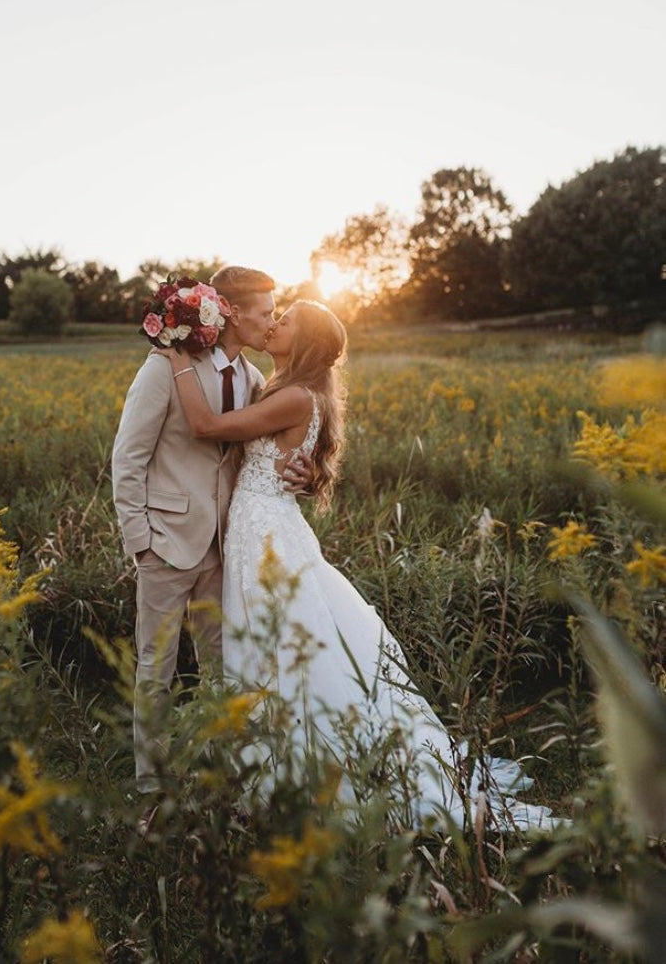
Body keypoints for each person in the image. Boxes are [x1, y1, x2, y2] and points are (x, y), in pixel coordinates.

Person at [157, 299, 557, 830]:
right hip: (261, 531)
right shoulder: (282, 389)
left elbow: (206, 425)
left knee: (283, 648)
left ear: (304, 344)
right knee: (270, 644)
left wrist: (177, 355)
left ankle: (302, 776)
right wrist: (307, 476)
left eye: (288, 320)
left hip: (269, 539)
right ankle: (268, 768)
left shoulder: (297, 396)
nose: (275, 323)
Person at [111, 265, 311, 805]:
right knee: (156, 669)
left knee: (221, 666)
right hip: (166, 544)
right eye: (266, 312)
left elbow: (262, 454)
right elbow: (127, 459)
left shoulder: (251, 380)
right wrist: (141, 541)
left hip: (225, 546)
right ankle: (150, 788)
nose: (271, 322)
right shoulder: (164, 368)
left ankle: (218, 774)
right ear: (232, 311)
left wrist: (305, 474)